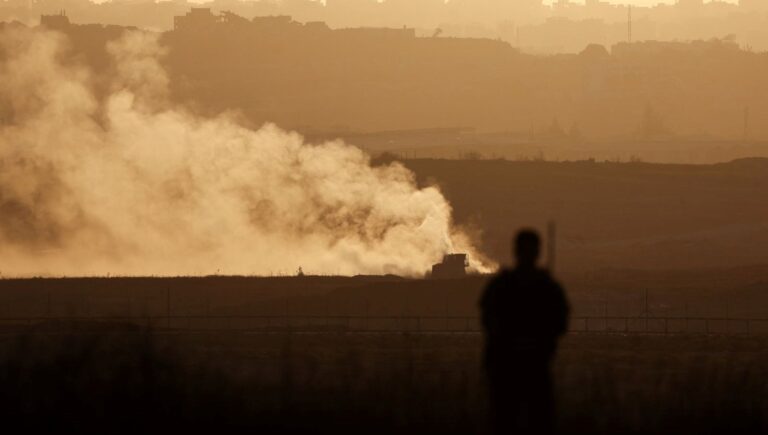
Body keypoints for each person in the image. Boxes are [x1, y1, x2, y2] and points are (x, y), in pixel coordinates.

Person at [480, 229, 569, 435]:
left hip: (522, 365)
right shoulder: (544, 286)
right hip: (518, 365)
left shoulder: (505, 285)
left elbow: (559, 322)